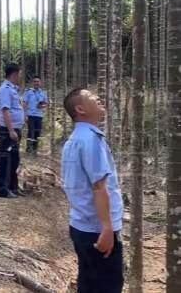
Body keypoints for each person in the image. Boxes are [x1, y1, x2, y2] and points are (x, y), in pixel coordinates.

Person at [61, 88, 124, 293]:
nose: (97, 97)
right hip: (97, 230)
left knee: (88, 285)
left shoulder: (74, 140)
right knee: (108, 286)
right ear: (80, 109)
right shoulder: (90, 140)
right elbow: (99, 187)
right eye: (91, 97)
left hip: (81, 226)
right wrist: (106, 228)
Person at [0, 63, 25, 198]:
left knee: (14, 159)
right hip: (8, 131)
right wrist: (11, 130)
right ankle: (3, 189)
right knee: (5, 159)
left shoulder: (13, 89)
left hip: (15, 129)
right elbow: (5, 110)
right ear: (14, 74)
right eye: (19, 73)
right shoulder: (5, 89)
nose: (20, 76)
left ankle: (13, 187)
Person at [23, 75, 48, 156]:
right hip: (30, 115)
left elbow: (46, 104)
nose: (36, 83)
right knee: (31, 132)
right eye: (35, 81)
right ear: (32, 83)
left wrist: (42, 106)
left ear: (40, 83)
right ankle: (28, 149)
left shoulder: (43, 93)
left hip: (39, 115)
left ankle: (34, 150)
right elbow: (25, 103)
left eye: (38, 81)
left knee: (37, 132)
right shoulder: (28, 92)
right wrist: (25, 115)